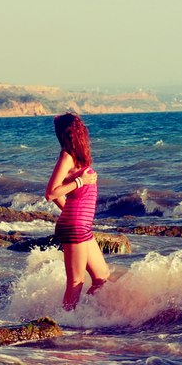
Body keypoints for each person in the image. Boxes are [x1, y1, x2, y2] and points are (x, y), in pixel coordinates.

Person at [45, 113, 110, 310]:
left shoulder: (76, 156)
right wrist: (80, 181)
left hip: (81, 225)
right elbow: (51, 193)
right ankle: (65, 321)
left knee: (102, 277)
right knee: (76, 281)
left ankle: (81, 315)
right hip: (75, 226)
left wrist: (70, 211)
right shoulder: (66, 156)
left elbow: (59, 194)